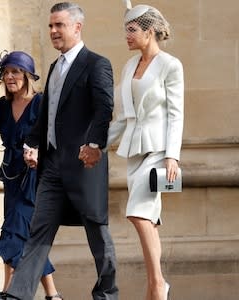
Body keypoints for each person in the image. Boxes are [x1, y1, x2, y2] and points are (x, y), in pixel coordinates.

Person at [1, 2, 119, 300]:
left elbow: (104, 108)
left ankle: (107, 295)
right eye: (51, 26)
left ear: (77, 27)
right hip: (52, 165)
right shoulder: (54, 67)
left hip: (84, 164)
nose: (53, 31)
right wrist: (32, 143)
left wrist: (95, 144)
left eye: (59, 25)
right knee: (39, 230)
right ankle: (19, 294)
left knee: (97, 233)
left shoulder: (97, 64)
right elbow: (47, 115)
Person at [105, 4, 184, 300]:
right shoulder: (128, 66)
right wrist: (97, 144)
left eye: (131, 30)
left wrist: (172, 155)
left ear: (149, 32)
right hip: (134, 151)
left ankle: (158, 283)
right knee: (147, 218)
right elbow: (123, 117)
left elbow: (176, 114)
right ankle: (155, 287)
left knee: (138, 214)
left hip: (158, 151)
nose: (126, 35)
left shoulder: (170, 65)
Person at [0, 51, 62, 300]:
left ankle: (10, 292)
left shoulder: (41, 102)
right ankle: (51, 296)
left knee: (15, 231)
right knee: (23, 235)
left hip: (35, 178)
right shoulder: (3, 106)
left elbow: (57, 140)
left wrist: (39, 155)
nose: (10, 77)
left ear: (27, 75)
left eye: (16, 72)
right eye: (6, 72)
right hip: (11, 178)